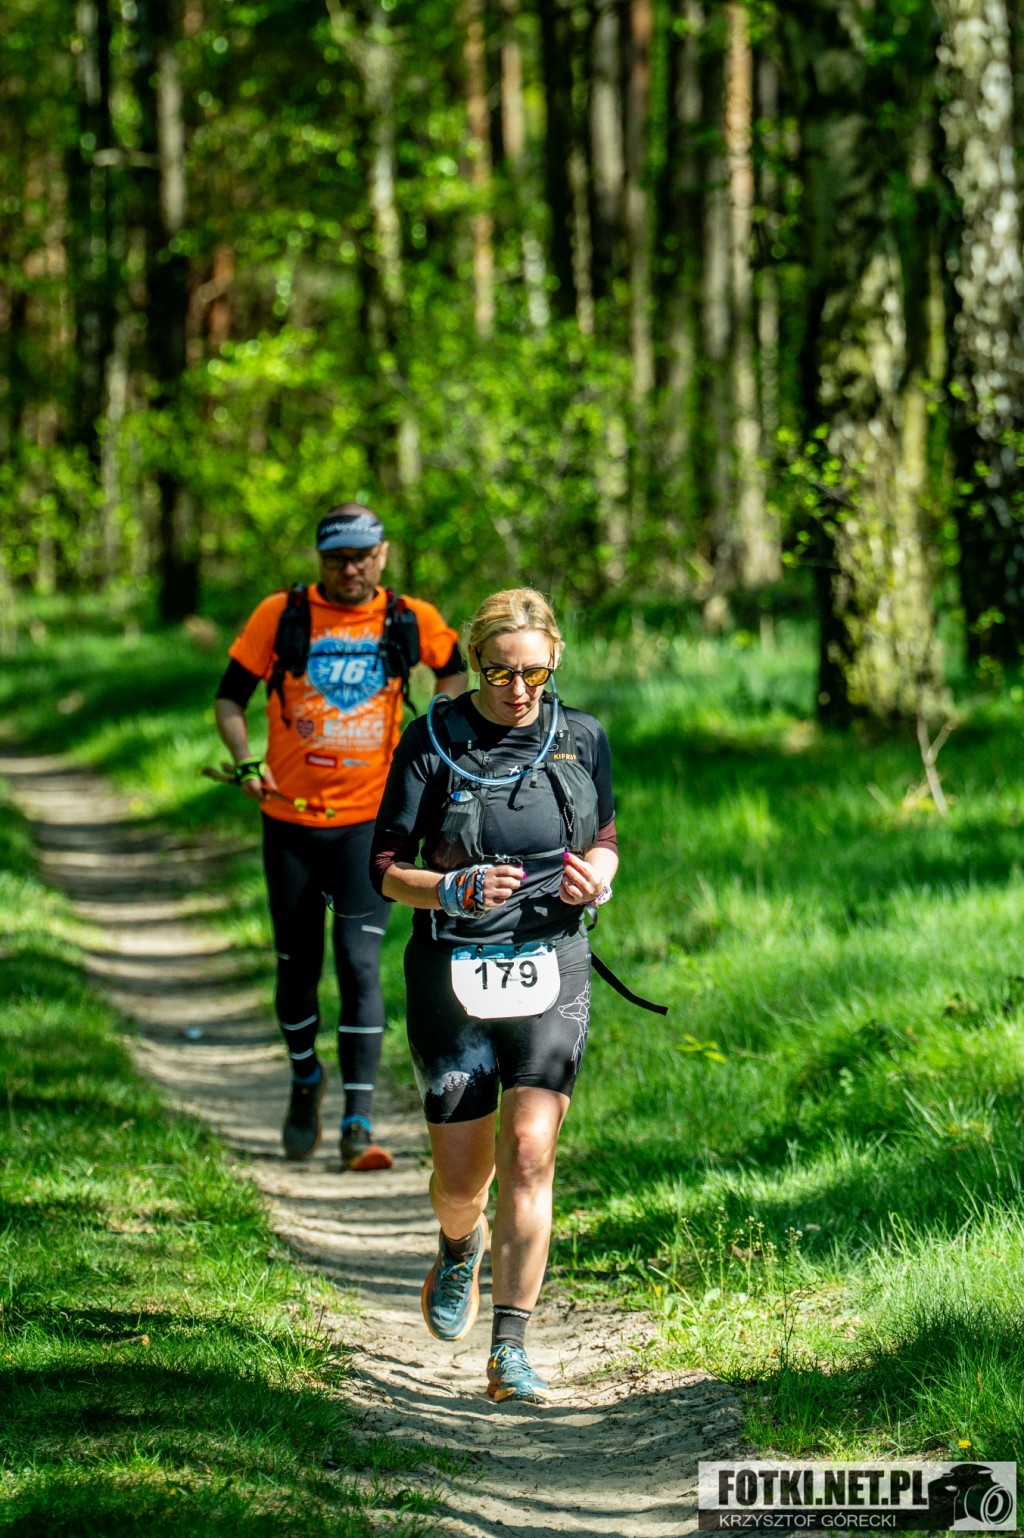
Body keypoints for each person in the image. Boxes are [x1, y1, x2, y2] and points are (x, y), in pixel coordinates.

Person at [369, 588, 618, 1402]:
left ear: (555, 663)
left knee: (532, 1152)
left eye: (535, 673)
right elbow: (384, 868)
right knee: (461, 1183)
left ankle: (509, 1348)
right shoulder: (432, 740)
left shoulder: (581, 737)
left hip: (553, 961)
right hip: (453, 973)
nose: (518, 689)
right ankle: (457, 1245)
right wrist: (450, 889)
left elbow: (605, 838)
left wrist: (598, 879)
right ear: (475, 664)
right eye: (501, 672)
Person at [214, 503, 467, 1171]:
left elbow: (453, 668)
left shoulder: (409, 618)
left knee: (359, 966)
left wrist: (436, 728)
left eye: (360, 558)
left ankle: (358, 1120)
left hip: (368, 825)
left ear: (381, 556)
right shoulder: (281, 614)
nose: (349, 570)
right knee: (296, 968)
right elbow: (229, 697)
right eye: (336, 559)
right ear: (320, 560)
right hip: (290, 823)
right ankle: (305, 1076)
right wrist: (246, 761)